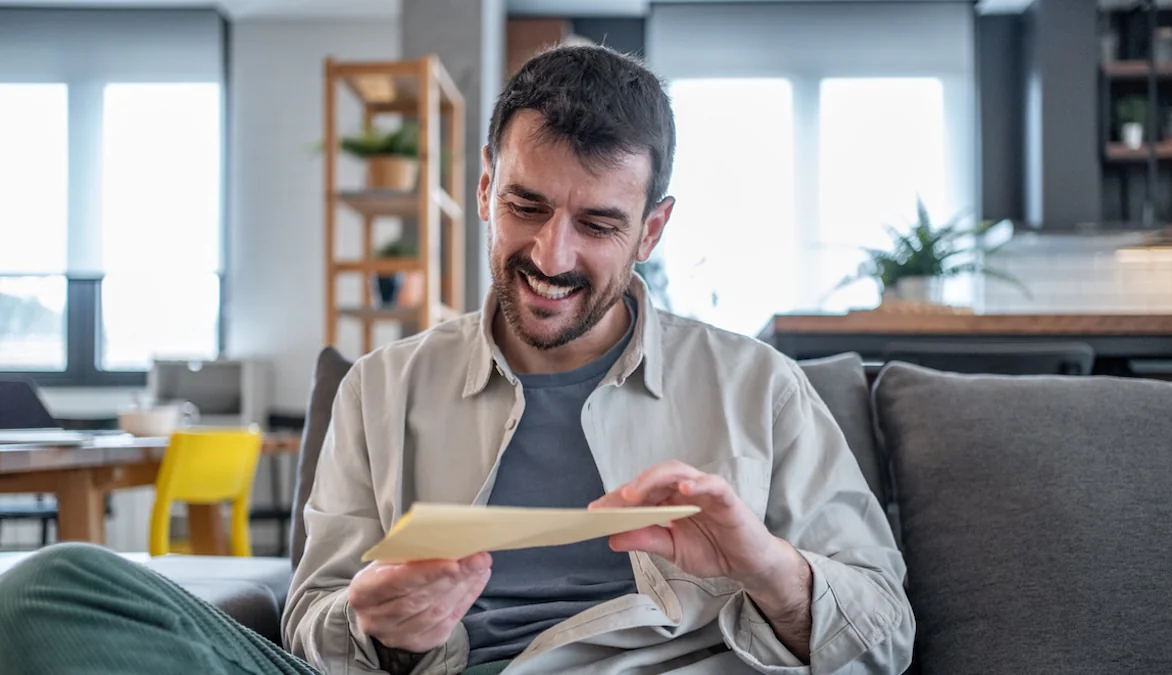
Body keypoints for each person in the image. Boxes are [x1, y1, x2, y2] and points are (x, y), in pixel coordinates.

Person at [0, 45, 912, 675]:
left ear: (653, 229)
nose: (551, 257)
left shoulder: (759, 389)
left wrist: (766, 564)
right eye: (524, 206)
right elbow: (311, 619)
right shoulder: (382, 389)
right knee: (50, 590)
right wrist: (377, 624)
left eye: (597, 224)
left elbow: (886, 639)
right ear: (483, 187)